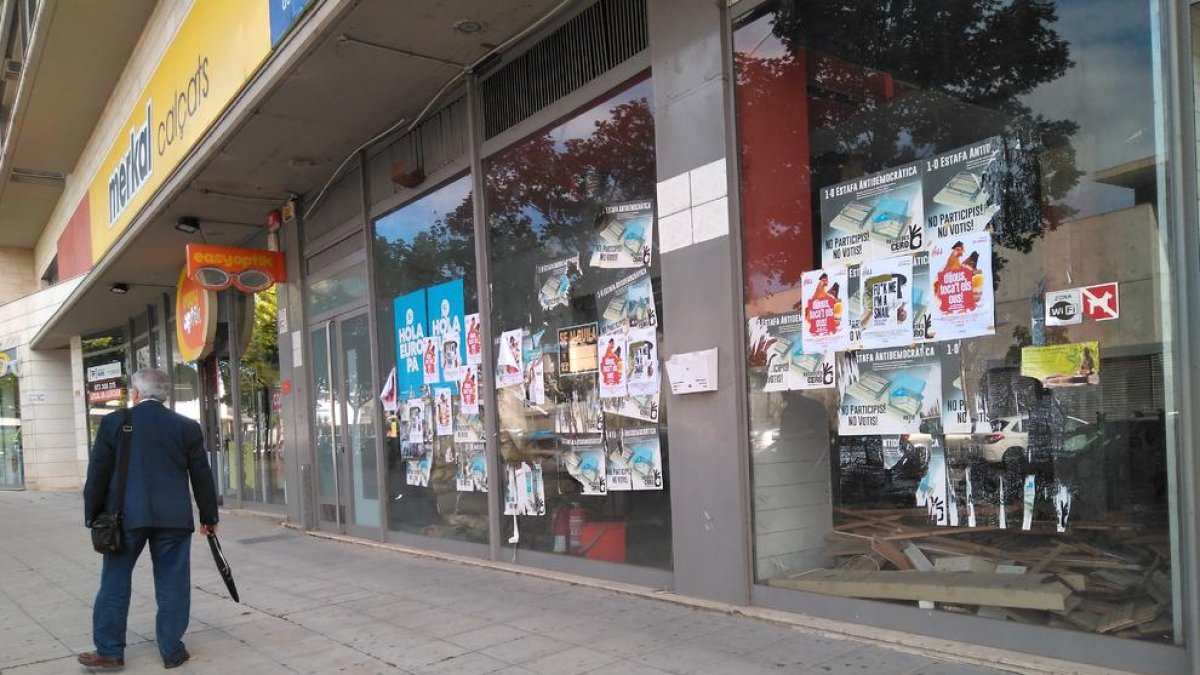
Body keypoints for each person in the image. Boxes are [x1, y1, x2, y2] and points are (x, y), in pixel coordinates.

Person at [78, 368, 218, 670]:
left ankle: (110, 652)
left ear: (136, 393)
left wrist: (92, 514)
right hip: (174, 518)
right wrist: (209, 516)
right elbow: (202, 475)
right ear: (164, 394)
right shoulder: (186, 427)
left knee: (115, 581)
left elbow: (98, 473)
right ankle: (172, 650)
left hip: (126, 517)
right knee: (173, 583)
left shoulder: (115, 422)